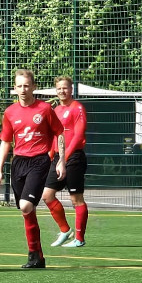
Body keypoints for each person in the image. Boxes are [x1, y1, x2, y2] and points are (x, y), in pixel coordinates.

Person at [0, 69, 63, 269]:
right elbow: (6, 141)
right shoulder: (10, 112)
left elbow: (59, 133)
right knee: (27, 210)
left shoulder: (45, 109)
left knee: (25, 205)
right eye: (19, 86)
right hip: (19, 163)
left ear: (34, 87)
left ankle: (35, 254)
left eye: (26, 85)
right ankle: (36, 256)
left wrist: (61, 160)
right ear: (14, 88)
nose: (23, 89)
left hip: (39, 161)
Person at [44, 76, 90, 248]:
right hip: (58, 158)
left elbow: (78, 136)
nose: (62, 91)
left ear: (71, 89)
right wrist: (50, 156)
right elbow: (54, 137)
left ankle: (79, 239)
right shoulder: (55, 110)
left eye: (65, 88)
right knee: (47, 195)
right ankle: (65, 230)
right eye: (59, 88)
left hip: (74, 158)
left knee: (76, 199)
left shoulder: (77, 108)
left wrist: (64, 158)